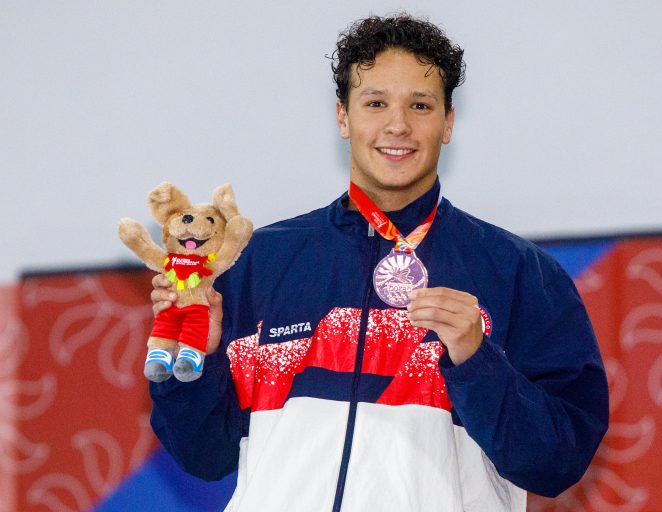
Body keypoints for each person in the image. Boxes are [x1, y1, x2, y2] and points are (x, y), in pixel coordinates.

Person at [149, 13, 609, 512]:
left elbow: (557, 462)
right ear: (343, 117)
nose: (398, 125)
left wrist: (477, 361)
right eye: (375, 103)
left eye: (420, 105)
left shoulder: (520, 273)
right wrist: (199, 359)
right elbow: (205, 455)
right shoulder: (257, 261)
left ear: (449, 121)